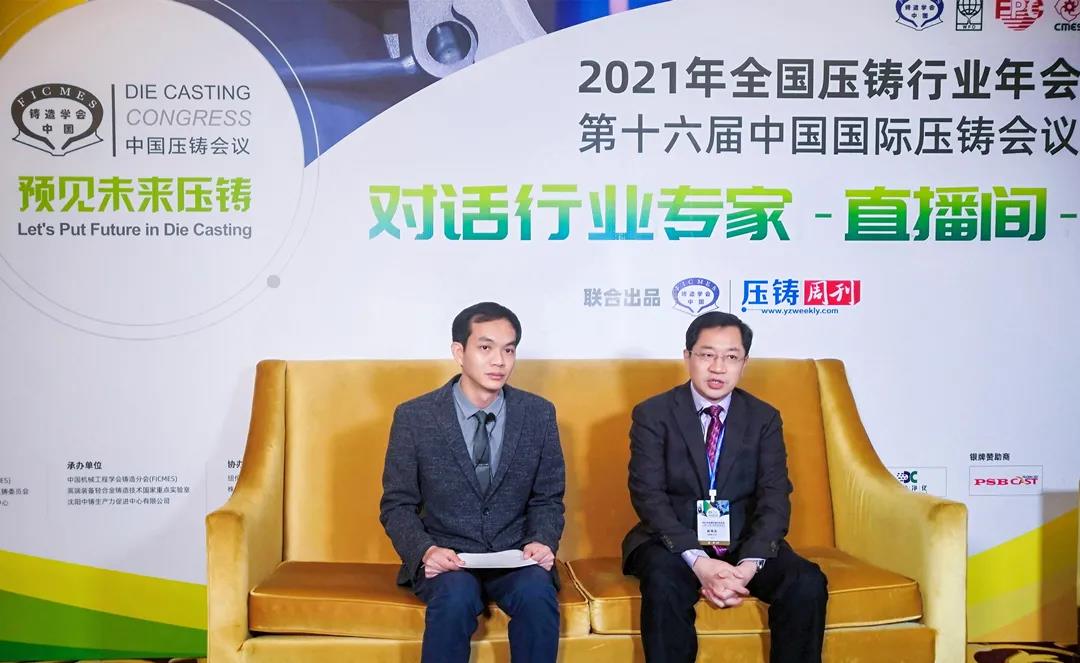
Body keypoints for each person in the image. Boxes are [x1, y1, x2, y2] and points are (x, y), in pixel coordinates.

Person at [622, 311, 828, 663]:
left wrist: (747, 567)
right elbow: (648, 494)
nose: (718, 368)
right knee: (663, 582)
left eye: (731, 357)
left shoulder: (763, 418)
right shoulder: (653, 414)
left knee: (805, 581)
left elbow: (775, 497)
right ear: (687, 357)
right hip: (672, 542)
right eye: (707, 355)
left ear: (744, 363)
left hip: (743, 541)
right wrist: (699, 562)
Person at [380, 301, 565, 663]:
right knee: (455, 598)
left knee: (537, 596)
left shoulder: (538, 414)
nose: (499, 361)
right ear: (459, 352)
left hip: (515, 556)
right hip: (448, 558)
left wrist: (543, 540)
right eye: (485, 347)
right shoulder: (415, 417)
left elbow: (547, 497)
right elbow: (397, 505)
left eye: (508, 350)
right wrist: (426, 551)